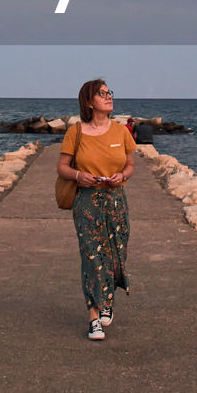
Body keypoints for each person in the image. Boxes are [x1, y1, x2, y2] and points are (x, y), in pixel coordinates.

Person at [56, 79, 135, 340]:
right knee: (91, 256)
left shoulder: (121, 131)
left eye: (109, 92)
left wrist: (120, 176)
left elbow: (130, 166)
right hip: (86, 203)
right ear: (89, 102)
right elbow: (62, 167)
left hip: (115, 201)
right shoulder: (75, 132)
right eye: (102, 94)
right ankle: (93, 317)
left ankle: (108, 299)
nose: (108, 96)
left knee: (115, 254)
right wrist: (79, 176)